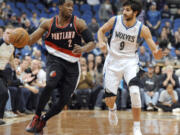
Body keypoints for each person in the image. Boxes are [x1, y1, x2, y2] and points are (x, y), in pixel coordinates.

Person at [25, 0, 95, 133]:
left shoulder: (79, 23)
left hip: (72, 65)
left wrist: (83, 48)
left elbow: (92, 43)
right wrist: (20, 38)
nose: (70, 9)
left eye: (72, 7)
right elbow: (30, 40)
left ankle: (44, 119)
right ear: (60, 7)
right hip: (55, 60)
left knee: (63, 101)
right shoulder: (48, 23)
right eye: (67, 6)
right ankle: (36, 116)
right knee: (50, 83)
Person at [97, 0, 164, 135]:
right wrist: (101, 42)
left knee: (135, 92)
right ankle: (112, 109)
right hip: (113, 61)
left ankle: (137, 127)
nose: (124, 12)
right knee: (110, 100)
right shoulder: (115, 20)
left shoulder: (142, 28)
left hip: (130, 62)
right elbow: (101, 31)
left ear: (135, 12)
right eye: (124, 9)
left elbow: (154, 50)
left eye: (127, 10)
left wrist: (157, 54)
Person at [0, 25, 15, 125]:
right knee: (4, 93)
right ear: (3, 34)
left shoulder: (12, 47)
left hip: (3, 73)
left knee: (4, 95)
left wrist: (15, 68)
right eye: (7, 33)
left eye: (11, 33)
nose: (9, 35)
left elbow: (11, 59)